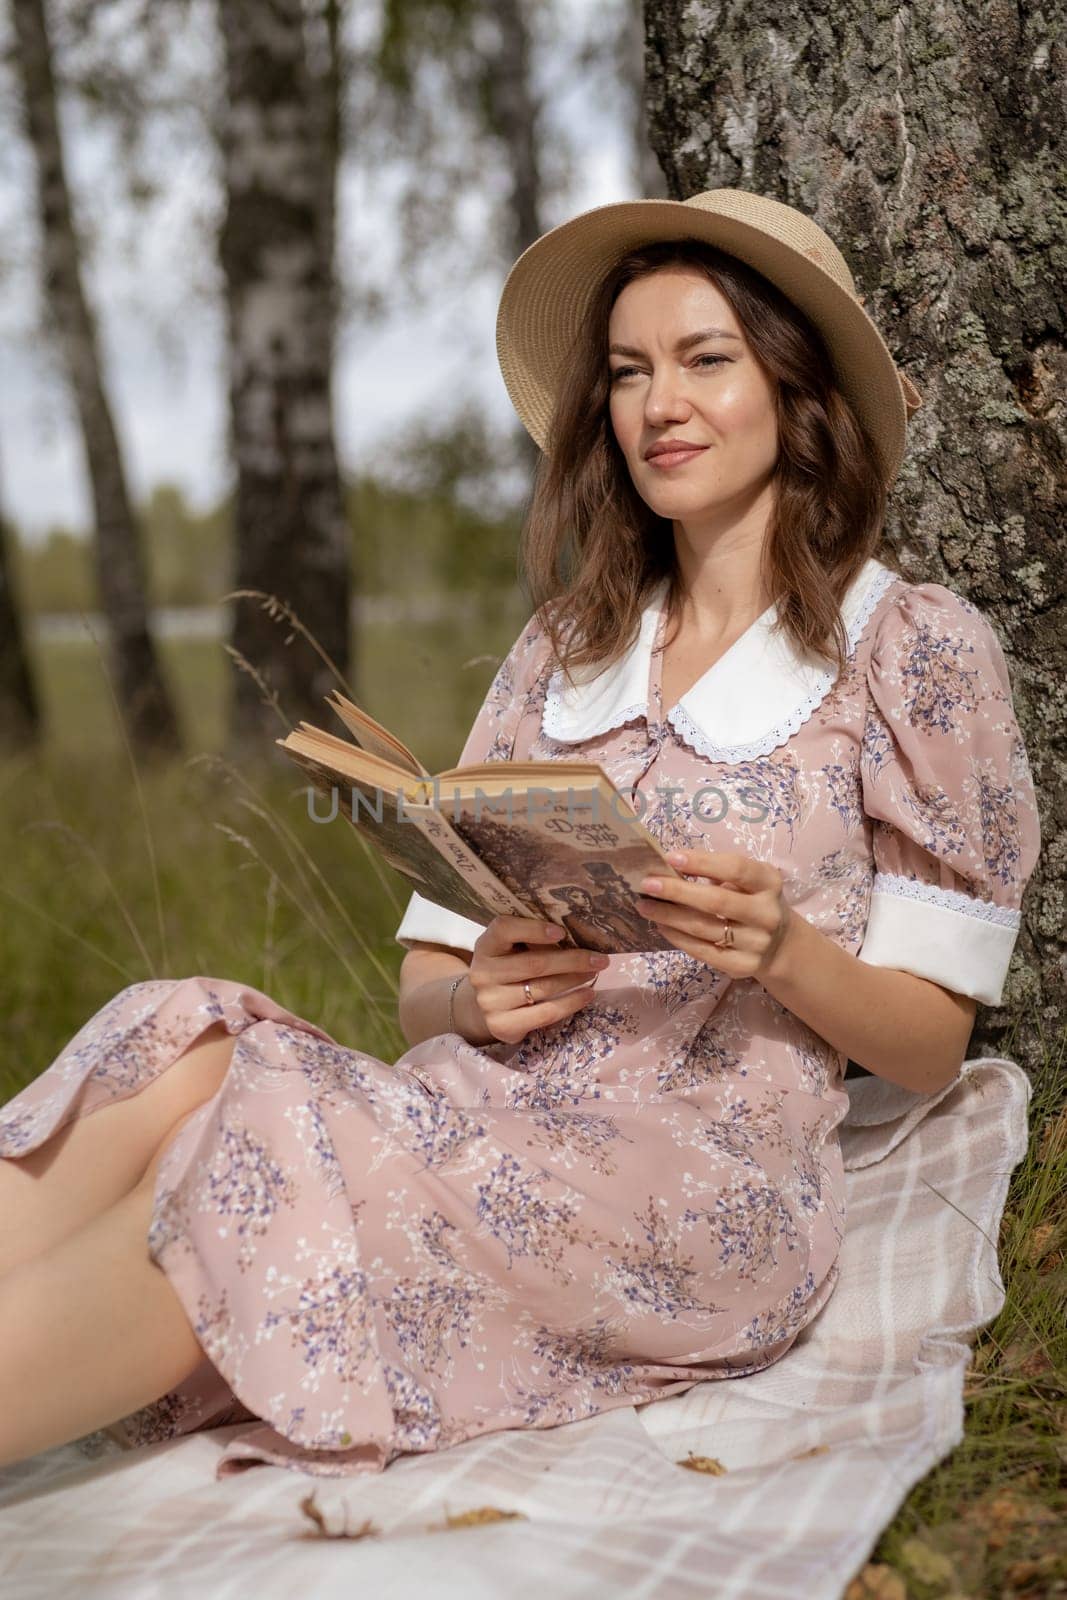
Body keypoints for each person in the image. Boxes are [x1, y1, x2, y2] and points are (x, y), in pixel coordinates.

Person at [0, 190, 1042, 1483]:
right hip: (483, 1118)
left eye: (708, 359)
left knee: (270, 1139)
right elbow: (424, 994)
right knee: (186, 1028)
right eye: (627, 372)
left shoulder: (915, 650)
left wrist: (783, 950)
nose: (662, 404)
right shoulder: (566, 649)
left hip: (685, 1195)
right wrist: (476, 1002)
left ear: (796, 387)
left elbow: (935, 1047)